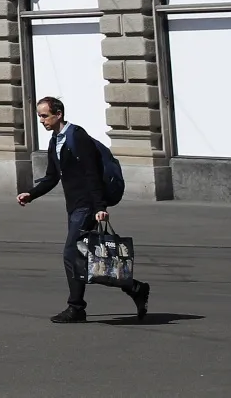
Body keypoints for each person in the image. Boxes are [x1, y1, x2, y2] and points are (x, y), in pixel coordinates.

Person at [16, 95, 150, 323]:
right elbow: (52, 177)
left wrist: (100, 207)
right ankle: (134, 288)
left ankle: (76, 307)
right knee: (88, 257)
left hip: (87, 206)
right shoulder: (55, 140)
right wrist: (31, 194)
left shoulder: (77, 137)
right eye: (39, 116)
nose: (41, 120)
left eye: (45, 116)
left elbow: (92, 173)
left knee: (72, 253)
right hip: (74, 206)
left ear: (58, 114)